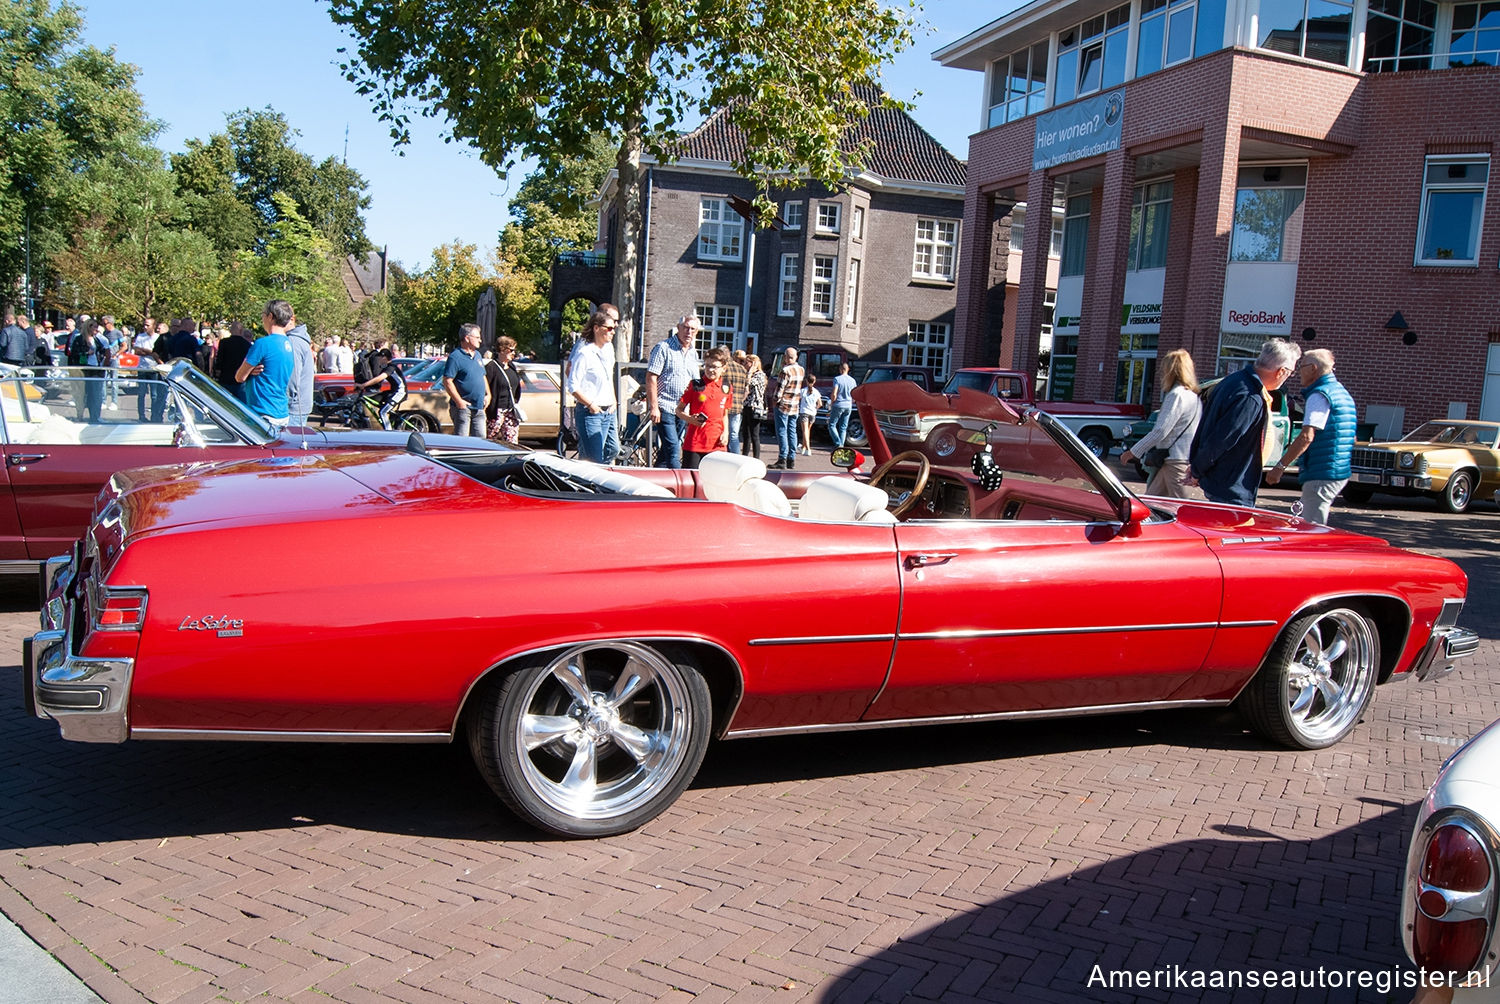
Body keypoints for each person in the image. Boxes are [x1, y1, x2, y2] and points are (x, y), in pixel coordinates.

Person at [1188, 338, 1302, 506]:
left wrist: (1198, 468)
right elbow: (1222, 439)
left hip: (1225, 482)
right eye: (1290, 373)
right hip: (1231, 487)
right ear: (1281, 372)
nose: (1288, 377)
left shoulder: (1233, 381)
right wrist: (1197, 470)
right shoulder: (1250, 396)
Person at [1266, 348, 1355, 524]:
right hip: (1338, 469)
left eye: (1302, 367)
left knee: (1312, 525)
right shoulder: (1340, 392)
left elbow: (1306, 436)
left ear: (1313, 368)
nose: (1298, 372)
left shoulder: (1319, 395)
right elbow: (1352, 436)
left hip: (1322, 471)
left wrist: (1280, 467)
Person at [1121, 348, 1203, 499]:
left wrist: (1133, 452)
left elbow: (1160, 431)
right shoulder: (1193, 397)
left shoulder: (1175, 396)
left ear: (1170, 371)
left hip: (1173, 461)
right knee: (1153, 502)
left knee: (1178, 507)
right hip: (1178, 459)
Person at [646, 315, 702, 469]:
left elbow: (695, 383)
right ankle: (679, 488)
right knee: (674, 449)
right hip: (665, 406)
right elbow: (651, 377)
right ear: (678, 327)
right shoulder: (663, 348)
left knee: (666, 451)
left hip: (683, 410)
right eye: (686, 327)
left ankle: (656, 480)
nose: (688, 332)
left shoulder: (693, 353)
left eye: (693, 329)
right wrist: (654, 407)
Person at [566, 308, 620, 463]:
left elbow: (609, 377)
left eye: (614, 329)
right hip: (591, 412)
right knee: (594, 458)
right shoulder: (585, 353)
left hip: (608, 410)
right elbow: (573, 385)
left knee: (613, 449)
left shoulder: (608, 349)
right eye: (609, 328)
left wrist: (614, 400)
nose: (612, 332)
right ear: (597, 328)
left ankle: (591, 478)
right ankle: (584, 483)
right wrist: (591, 405)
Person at [236, 300, 296, 428]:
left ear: (271, 316)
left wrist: (249, 372)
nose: (262, 319)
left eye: (263, 315)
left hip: (263, 412)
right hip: (281, 411)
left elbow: (239, 377)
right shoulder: (289, 344)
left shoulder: (262, 344)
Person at [676, 348, 734, 469]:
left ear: (723, 368)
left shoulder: (727, 387)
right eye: (707, 366)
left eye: (714, 367)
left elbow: (724, 413)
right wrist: (690, 419)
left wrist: (726, 432)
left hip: (717, 445)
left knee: (714, 481)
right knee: (692, 481)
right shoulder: (696, 385)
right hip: (695, 443)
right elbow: (678, 410)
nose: (710, 370)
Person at [442, 322, 488, 437]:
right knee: (462, 442)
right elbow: (447, 381)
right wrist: (459, 402)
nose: (480, 340)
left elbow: (483, 375)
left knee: (481, 442)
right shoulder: (455, 356)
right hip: (463, 408)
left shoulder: (477, 355)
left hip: (479, 407)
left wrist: (488, 395)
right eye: (477, 337)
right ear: (467, 338)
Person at [349, 347, 407, 429]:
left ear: (384, 358)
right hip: (393, 391)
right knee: (374, 399)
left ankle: (389, 433)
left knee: (382, 412)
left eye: (379, 357)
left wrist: (363, 385)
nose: (378, 359)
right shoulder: (385, 367)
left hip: (400, 392)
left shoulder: (391, 368)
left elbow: (379, 378)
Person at [66, 319, 111, 422]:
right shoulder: (79, 339)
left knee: (95, 393)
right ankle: (80, 416)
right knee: (81, 394)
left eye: (97, 326)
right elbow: (73, 354)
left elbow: (105, 351)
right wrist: (86, 353)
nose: (96, 329)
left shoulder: (97, 339)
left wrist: (103, 363)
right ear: (88, 327)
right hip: (83, 369)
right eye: (93, 326)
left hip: (95, 369)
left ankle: (95, 417)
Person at [485, 336, 524, 444]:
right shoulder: (491, 367)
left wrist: (515, 402)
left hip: (510, 410)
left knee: (512, 442)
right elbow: (486, 387)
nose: (513, 353)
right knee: (491, 439)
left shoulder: (512, 366)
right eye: (511, 350)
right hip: (496, 411)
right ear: (502, 350)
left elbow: (516, 387)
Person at [771, 347, 804, 469]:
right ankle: (792, 458)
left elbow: (779, 390)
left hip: (783, 404)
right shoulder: (801, 369)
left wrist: (775, 401)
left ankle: (782, 458)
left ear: (785, 357)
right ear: (796, 357)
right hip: (794, 404)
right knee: (792, 431)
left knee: (781, 431)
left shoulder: (785, 370)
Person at [285, 311, 316, 426]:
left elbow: (292, 381)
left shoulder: (293, 342)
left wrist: (283, 405)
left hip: (293, 409)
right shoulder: (298, 340)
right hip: (298, 406)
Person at [214, 322, 252, 399]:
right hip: (241, 380)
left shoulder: (224, 342)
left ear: (231, 331)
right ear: (241, 331)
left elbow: (219, 359)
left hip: (225, 377)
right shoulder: (247, 345)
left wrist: (217, 371)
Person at [740, 354, 767, 459]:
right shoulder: (749, 374)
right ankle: (744, 456)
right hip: (747, 405)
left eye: (746, 362)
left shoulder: (759, 375)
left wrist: (750, 372)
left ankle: (756, 458)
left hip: (755, 406)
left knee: (754, 435)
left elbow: (749, 383)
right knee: (746, 434)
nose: (744, 365)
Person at [724, 349, 749, 455]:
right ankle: (736, 457)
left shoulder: (723, 369)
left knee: (723, 433)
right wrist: (740, 400)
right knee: (734, 435)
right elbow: (747, 390)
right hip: (737, 406)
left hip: (723, 406)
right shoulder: (742, 370)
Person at [827, 362, 856, 448]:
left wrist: (832, 402)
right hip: (848, 405)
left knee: (832, 424)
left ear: (841, 369)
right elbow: (854, 394)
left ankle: (838, 443)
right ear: (848, 369)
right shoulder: (852, 380)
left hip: (838, 404)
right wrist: (852, 401)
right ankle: (841, 446)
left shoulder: (837, 379)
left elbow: (834, 393)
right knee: (843, 427)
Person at [798, 373, 821, 455]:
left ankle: (808, 449)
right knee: (807, 431)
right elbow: (820, 404)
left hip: (804, 412)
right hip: (812, 413)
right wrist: (815, 408)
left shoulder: (803, 391)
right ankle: (802, 447)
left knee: (805, 431)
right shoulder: (816, 392)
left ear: (806, 381)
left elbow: (798, 399)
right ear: (814, 381)